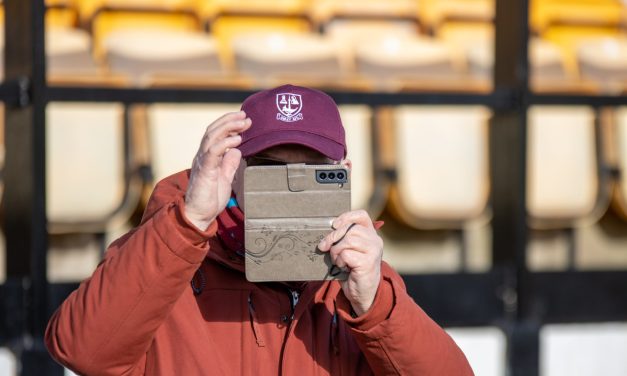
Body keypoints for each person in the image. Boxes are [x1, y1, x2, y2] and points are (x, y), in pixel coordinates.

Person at [45, 84, 474, 375]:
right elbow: (82, 351)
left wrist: (375, 306)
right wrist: (189, 220)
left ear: (343, 174)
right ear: (233, 171)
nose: (289, 184)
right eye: (268, 169)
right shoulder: (165, 258)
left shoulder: (358, 279)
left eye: (312, 171)